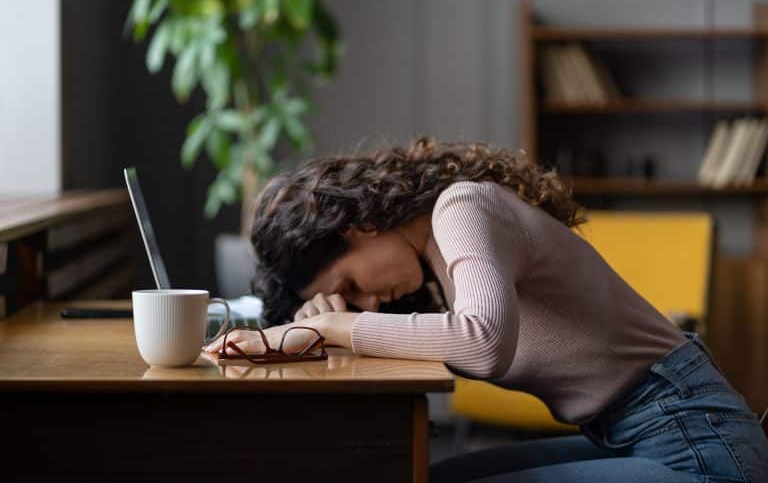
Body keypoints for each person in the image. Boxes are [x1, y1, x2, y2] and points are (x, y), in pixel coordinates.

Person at [204, 137, 768, 482]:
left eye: (350, 283)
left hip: (695, 442)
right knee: (426, 477)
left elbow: (483, 342)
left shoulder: (461, 208)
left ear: (359, 226)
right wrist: (324, 329)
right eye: (351, 299)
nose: (367, 303)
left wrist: (341, 322)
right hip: (638, 430)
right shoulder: (438, 263)